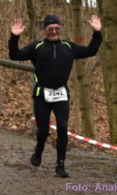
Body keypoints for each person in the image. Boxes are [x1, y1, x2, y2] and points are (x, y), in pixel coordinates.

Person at [8, 15, 102, 178]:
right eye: (50, 29)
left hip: (61, 94)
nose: (53, 31)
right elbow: (14, 55)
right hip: (42, 95)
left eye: (57, 28)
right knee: (43, 130)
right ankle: (38, 151)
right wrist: (15, 37)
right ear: (44, 30)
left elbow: (90, 51)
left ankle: (60, 164)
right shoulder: (37, 47)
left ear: (60, 29)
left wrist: (97, 33)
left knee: (63, 128)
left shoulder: (68, 46)